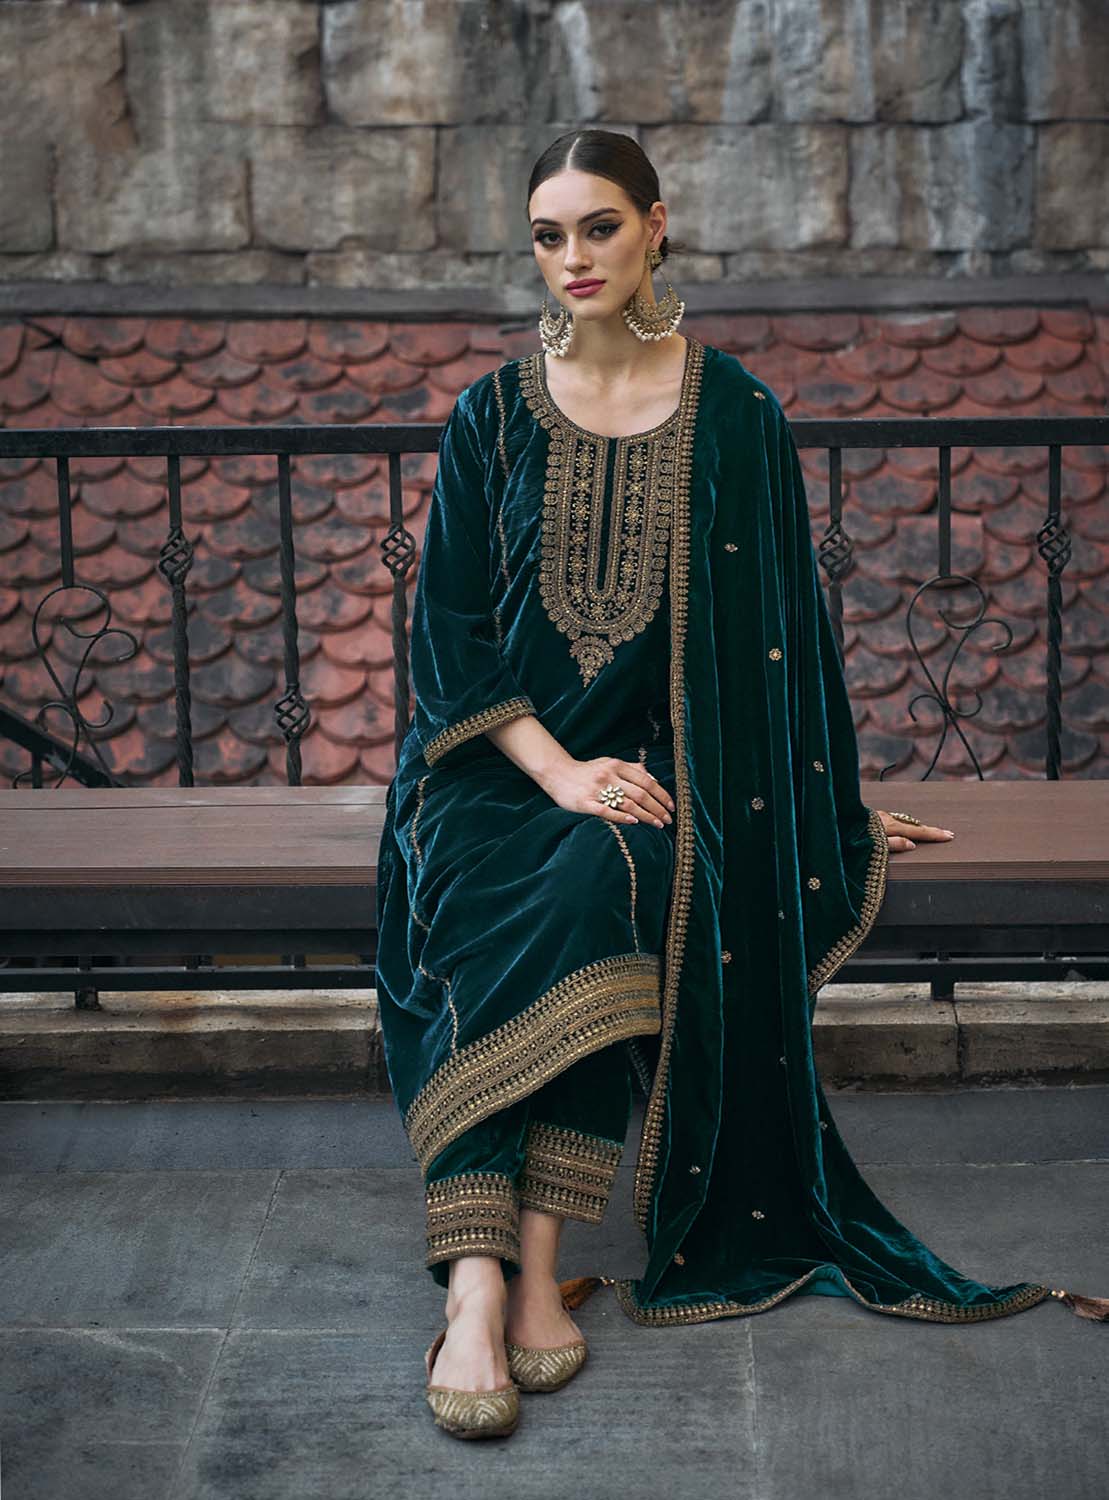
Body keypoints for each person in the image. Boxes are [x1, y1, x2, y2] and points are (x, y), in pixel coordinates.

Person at [374, 129, 1107, 1440]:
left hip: (668, 782)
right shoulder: (489, 415)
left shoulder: (738, 416)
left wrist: (819, 807)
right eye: (547, 235)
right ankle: (483, 1284)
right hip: (490, 770)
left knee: (608, 883)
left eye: (599, 226)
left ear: (656, 226)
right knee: (527, 883)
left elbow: (782, 646)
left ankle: (533, 1266)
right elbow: (450, 648)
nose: (573, 257)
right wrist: (559, 772)